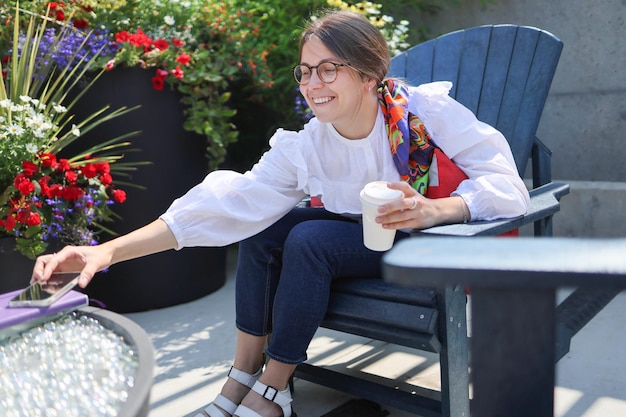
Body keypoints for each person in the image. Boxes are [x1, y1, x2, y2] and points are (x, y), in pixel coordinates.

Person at [32, 10, 530, 417]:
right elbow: (229, 203)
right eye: (306, 71)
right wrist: (105, 252)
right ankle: (243, 374)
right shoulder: (307, 145)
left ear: (368, 75)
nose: (313, 84)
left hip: (428, 242)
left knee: (308, 241)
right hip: (359, 236)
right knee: (265, 225)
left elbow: (510, 187)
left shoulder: (426, 112)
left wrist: (436, 208)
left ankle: (274, 389)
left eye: (329, 69)